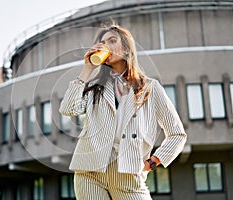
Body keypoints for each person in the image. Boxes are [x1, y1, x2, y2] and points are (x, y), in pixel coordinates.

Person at [59, 24, 187, 200]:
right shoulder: (95, 87)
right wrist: (88, 68)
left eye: (112, 41)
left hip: (128, 174)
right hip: (89, 172)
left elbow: (177, 134)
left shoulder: (150, 87)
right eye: (102, 43)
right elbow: (68, 109)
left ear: (127, 50)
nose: (106, 46)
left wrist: (152, 162)